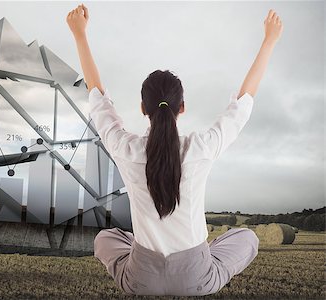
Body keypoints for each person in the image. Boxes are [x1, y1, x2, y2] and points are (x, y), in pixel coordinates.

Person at [67, 4, 283, 296]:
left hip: (141, 277)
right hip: (197, 277)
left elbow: (97, 98)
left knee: (105, 238)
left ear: (143, 108)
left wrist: (80, 35)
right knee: (246, 237)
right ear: (182, 107)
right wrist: (269, 40)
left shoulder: (125, 148)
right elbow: (242, 104)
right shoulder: (200, 148)